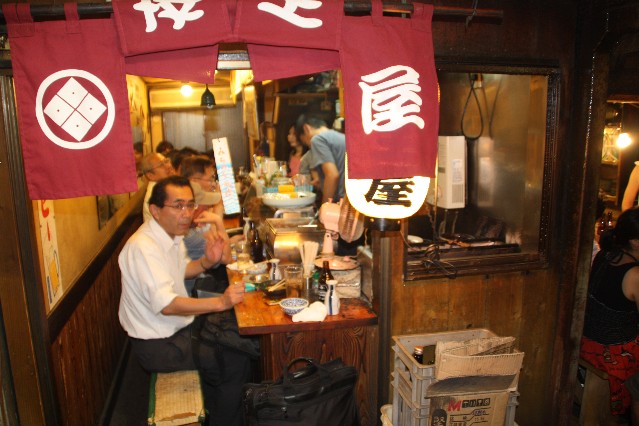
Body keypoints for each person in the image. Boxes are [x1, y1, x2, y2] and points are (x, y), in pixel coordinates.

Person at [118, 176, 251, 426]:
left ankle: (216, 408)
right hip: (160, 345)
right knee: (234, 359)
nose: (187, 213)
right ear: (156, 211)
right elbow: (167, 305)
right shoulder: (143, 247)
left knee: (236, 339)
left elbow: (180, 271)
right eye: (178, 206)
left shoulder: (169, 236)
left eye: (190, 205)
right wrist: (221, 302)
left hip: (178, 330)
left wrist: (206, 262)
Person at [580, 207, 639, 419]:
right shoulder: (634, 274)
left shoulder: (605, 254)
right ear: (635, 242)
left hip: (588, 341)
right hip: (613, 355)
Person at [295, 114, 345, 203]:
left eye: (305, 140)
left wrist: (325, 205)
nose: (308, 145)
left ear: (306, 128)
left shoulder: (318, 140)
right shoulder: (341, 137)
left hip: (340, 202)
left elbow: (332, 175)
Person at [140, 153, 175, 223]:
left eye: (166, 161)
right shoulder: (156, 194)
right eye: (161, 165)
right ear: (150, 175)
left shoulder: (166, 185)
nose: (168, 166)